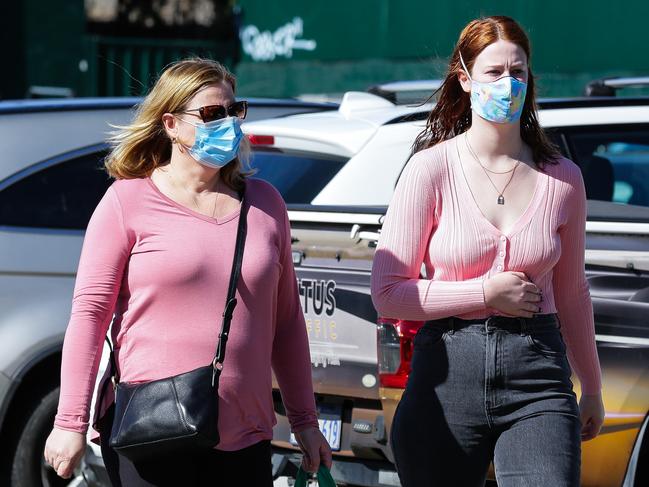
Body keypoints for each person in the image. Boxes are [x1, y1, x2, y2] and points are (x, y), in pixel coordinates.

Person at [43, 58, 332, 486]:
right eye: (213, 114)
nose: (230, 123)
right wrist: (70, 421)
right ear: (171, 124)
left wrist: (306, 421)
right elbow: (89, 316)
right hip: (152, 428)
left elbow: (286, 323)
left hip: (246, 434)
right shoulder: (127, 202)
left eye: (235, 111)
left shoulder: (266, 205)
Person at [371, 16, 604, 487]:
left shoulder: (563, 179)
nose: (508, 83)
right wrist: (484, 293)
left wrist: (592, 390)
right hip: (447, 369)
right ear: (465, 78)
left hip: (537, 371)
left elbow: (573, 294)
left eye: (518, 72)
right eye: (494, 72)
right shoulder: (430, 169)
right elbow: (388, 293)